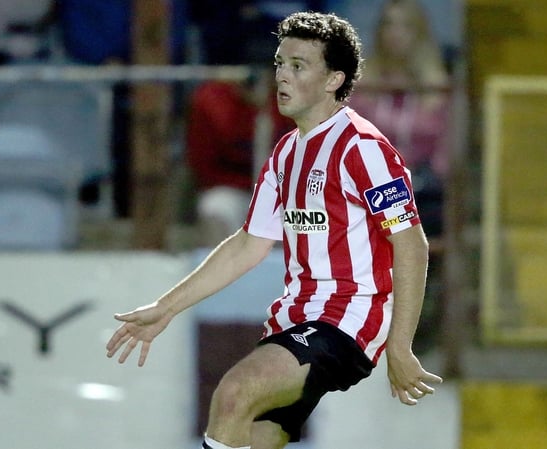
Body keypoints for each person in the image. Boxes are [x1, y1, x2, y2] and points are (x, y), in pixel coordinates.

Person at [106, 11, 442, 449]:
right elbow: (248, 244)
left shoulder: (363, 149)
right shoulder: (286, 152)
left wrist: (401, 346)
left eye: (298, 66)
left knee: (234, 391)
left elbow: (410, 244)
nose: (281, 75)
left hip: (349, 318)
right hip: (295, 318)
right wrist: (167, 307)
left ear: (333, 80)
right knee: (254, 432)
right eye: (280, 63)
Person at [349, 0, 452, 242]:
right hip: (366, 185)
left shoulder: (438, 87)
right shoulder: (362, 83)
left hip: (421, 191)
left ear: (419, 33)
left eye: (405, 26)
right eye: (389, 25)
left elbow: (446, 156)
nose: (396, 33)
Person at [186, 63, 293, 247]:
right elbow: (204, 168)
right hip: (234, 189)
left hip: (283, 193)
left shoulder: (296, 101)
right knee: (215, 210)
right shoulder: (214, 104)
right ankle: (222, 274)